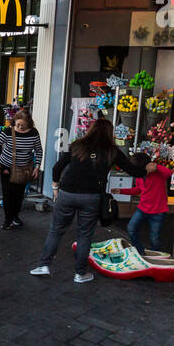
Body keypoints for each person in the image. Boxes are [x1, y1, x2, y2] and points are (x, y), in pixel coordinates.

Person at [29, 119, 148, 282]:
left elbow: (57, 168)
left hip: (67, 192)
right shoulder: (111, 151)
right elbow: (134, 171)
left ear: (91, 130)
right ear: (109, 133)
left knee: (56, 230)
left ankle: (44, 265)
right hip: (91, 197)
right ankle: (80, 274)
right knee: (84, 235)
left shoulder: (77, 145)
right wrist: (149, 168)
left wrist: (55, 187)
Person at [0, 109, 43, 229]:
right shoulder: (8, 131)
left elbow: (39, 150)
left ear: (29, 123)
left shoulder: (34, 133)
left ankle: (15, 216)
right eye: (17, 124)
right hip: (6, 167)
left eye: (23, 125)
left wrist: (37, 166)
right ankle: (7, 220)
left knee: (19, 194)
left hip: (24, 169)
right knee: (8, 194)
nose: (19, 127)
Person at [121, 151, 173, 253]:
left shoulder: (158, 172)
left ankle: (156, 254)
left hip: (158, 211)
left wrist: (156, 166)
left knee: (154, 238)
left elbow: (169, 173)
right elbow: (138, 189)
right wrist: (121, 191)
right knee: (131, 229)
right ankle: (140, 251)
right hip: (142, 208)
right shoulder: (139, 176)